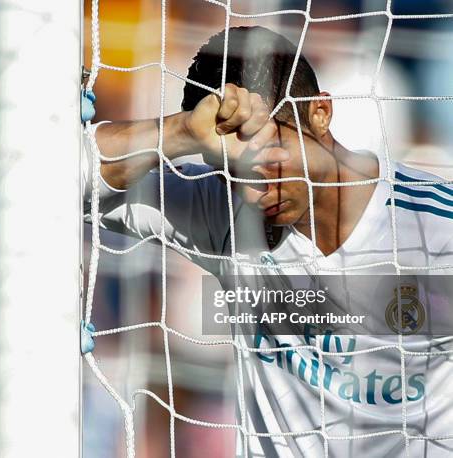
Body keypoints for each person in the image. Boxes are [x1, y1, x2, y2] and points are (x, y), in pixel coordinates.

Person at [84, 26, 453, 457]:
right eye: (232, 172)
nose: (254, 192)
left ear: (320, 113)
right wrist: (181, 131)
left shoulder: (435, 230)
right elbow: (61, 176)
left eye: (267, 160)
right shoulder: (224, 211)